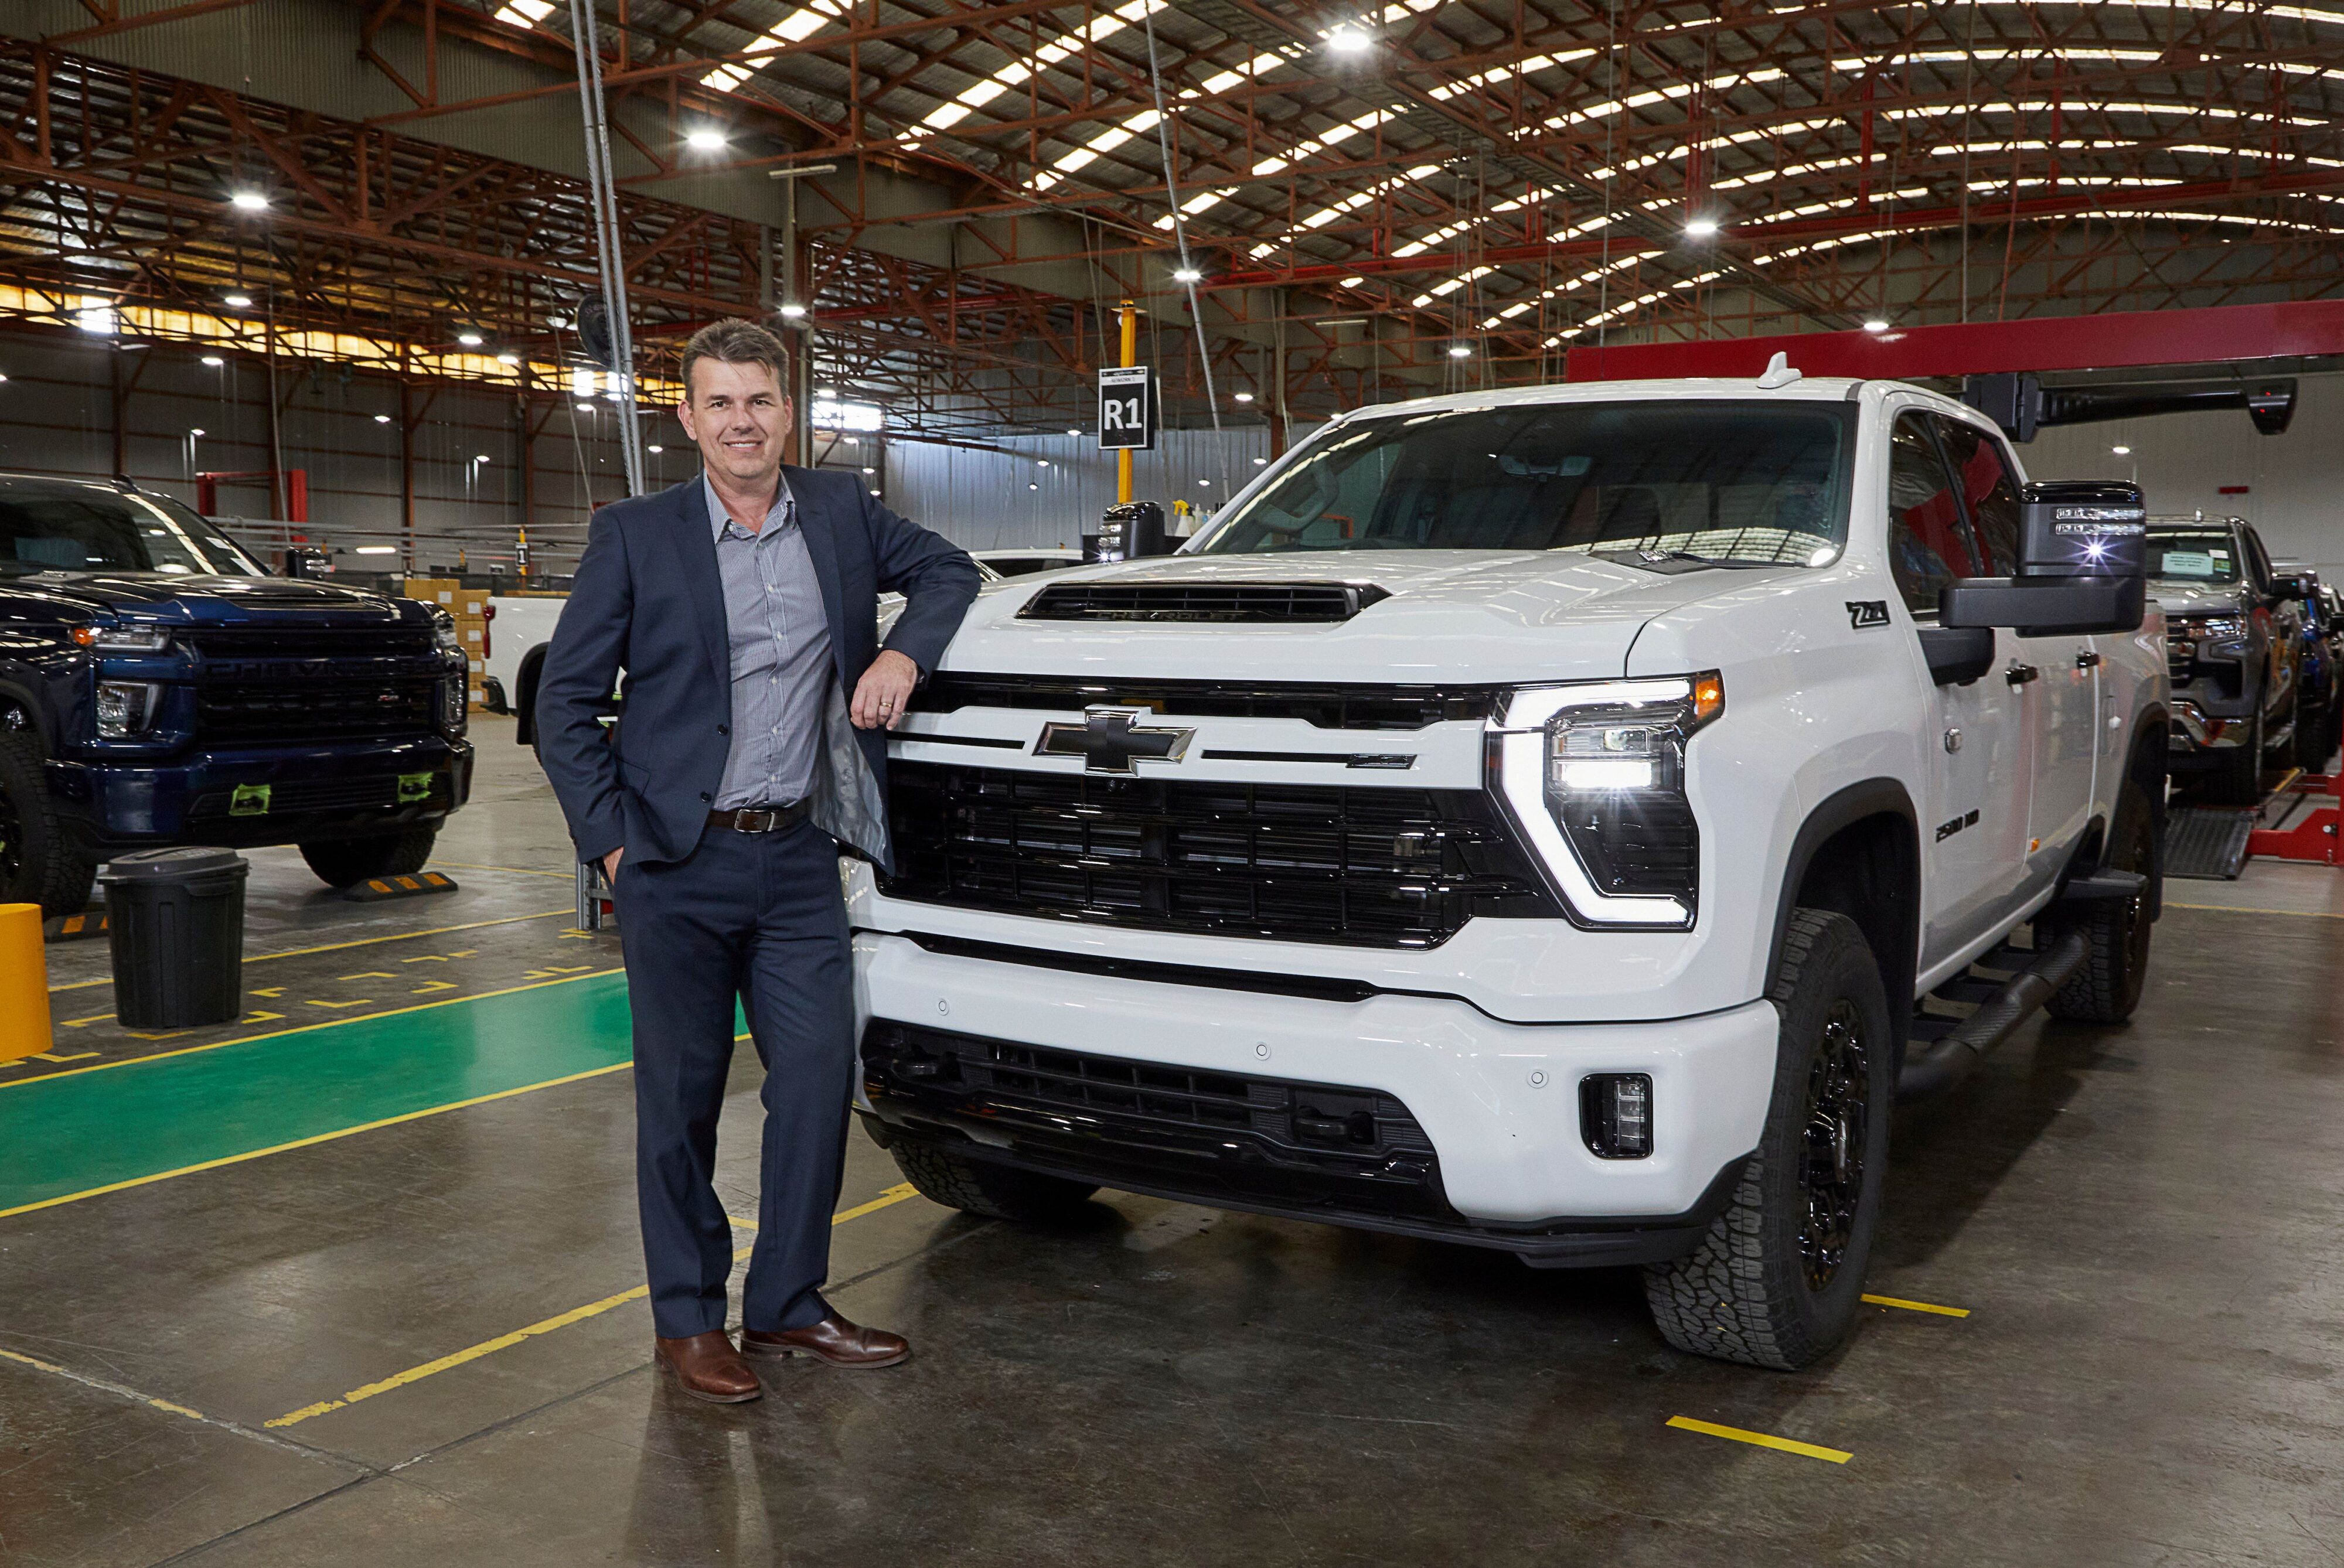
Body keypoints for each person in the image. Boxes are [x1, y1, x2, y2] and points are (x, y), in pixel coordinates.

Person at [537, 319, 981, 1403]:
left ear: (792, 414)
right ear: (688, 419)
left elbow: (951, 572)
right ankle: (686, 1318)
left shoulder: (838, 511)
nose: (744, 422)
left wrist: (899, 651)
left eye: (762, 402)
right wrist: (611, 843)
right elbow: (563, 702)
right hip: (676, 863)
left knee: (820, 1080)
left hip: (796, 859)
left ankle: (786, 1301)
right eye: (721, 404)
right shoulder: (636, 535)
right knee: (680, 1101)